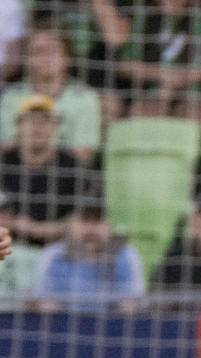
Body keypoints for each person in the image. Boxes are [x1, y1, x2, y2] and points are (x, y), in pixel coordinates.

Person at [0, 28, 102, 163]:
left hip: (66, 178)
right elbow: (6, 149)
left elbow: (83, 154)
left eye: (53, 50)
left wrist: (34, 144)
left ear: (66, 56)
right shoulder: (11, 96)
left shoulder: (85, 97)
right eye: (39, 51)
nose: (46, 57)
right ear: (28, 59)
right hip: (16, 178)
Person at [31, 198, 145, 313]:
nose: (90, 229)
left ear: (109, 226)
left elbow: (130, 306)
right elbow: (48, 307)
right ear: (70, 224)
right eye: (84, 221)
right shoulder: (53, 255)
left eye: (97, 222)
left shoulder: (126, 254)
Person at [0, 94, 83, 248]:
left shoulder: (71, 165)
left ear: (55, 126)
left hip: (57, 249)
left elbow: (78, 223)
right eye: (30, 119)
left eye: (45, 120)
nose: (37, 126)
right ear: (18, 125)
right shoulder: (4, 162)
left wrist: (30, 228)